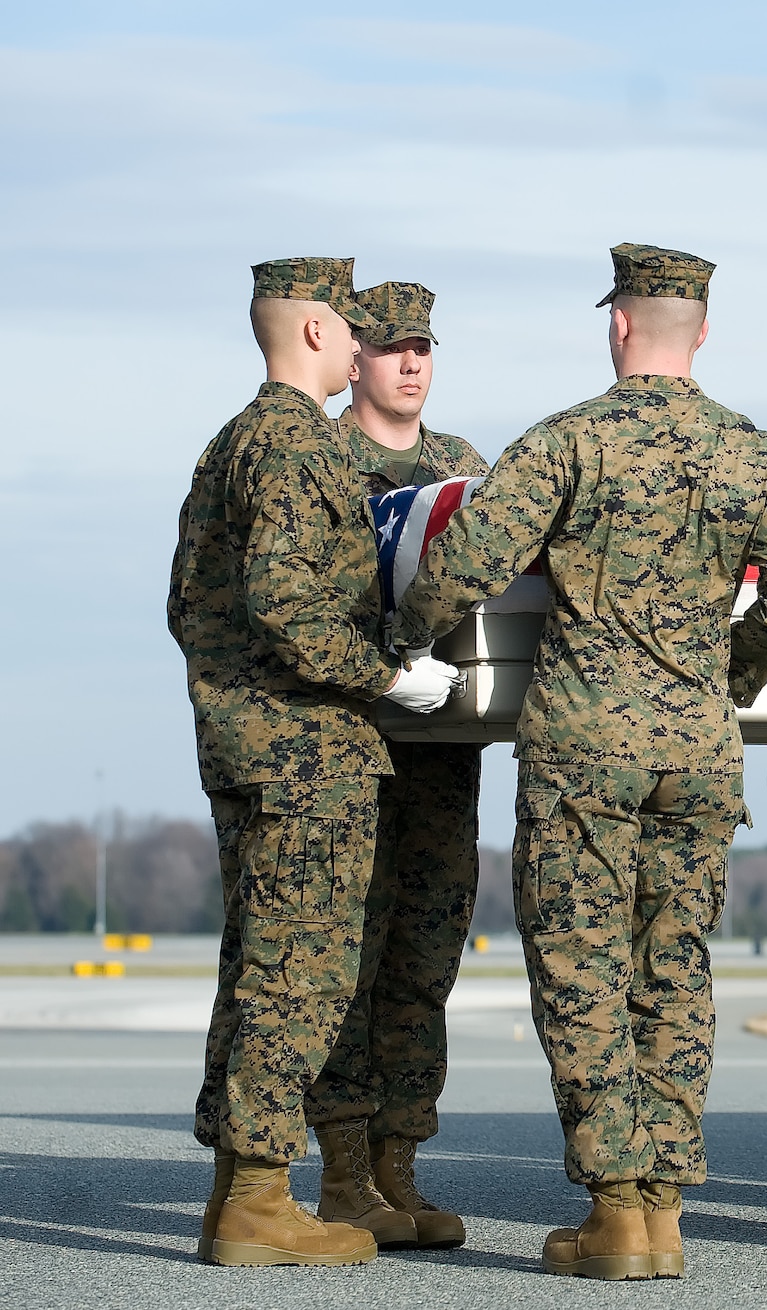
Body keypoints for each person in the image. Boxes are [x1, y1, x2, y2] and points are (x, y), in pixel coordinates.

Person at [389, 243, 767, 1281]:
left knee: (582, 968)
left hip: (585, 742)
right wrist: (727, 676)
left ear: (619, 324)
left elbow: (464, 559)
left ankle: (614, 1208)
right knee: (672, 963)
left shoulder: (568, 441)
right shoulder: (756, 454)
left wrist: (402, 639)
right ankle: (665, 1207)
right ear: (701, 330)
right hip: (696, 745)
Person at [169, 257, 460, 1267]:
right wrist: (382, 679)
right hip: (304, 752)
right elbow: (285, 605)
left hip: (259, 740)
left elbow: (189, 606)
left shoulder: (236, 441)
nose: (365, 342)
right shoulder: (295, 444)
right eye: (351, 325)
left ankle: (241, 1191)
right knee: (299, 973)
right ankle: (257, 1201)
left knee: (262, 966)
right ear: (312, 334)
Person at [304, 281, 487, 1250]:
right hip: (347, 748)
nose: (410, 363)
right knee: (348, 962)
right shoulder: (321, 456)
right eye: (389, 349)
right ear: (353, 361)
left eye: (422, 347)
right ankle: (341, 1172)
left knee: (422, 965)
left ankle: (397, 1165)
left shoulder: (461, 466)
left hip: (440, 760)